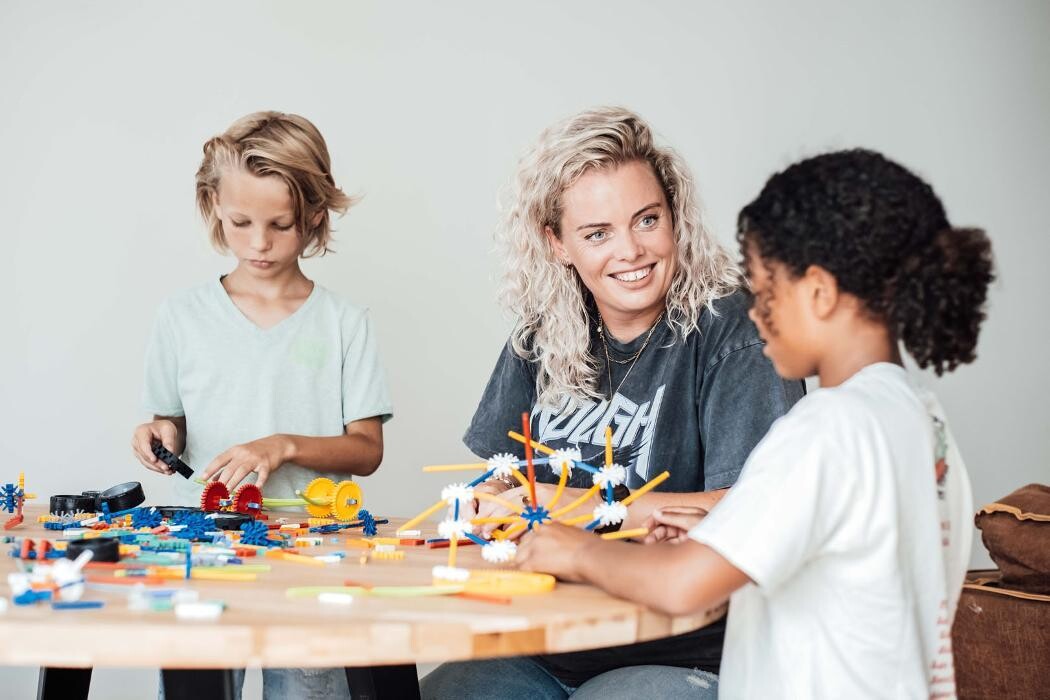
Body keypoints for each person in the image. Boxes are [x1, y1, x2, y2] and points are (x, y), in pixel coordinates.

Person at [516, 148, 994, 698]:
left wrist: (576, 550)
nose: (755, 316)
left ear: (818, 293)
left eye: (766, 294)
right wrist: (721, 531)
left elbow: (680, 587)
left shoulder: (824, 429)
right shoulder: (919, 418)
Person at [421, 107, 804, 699]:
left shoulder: (736, 329)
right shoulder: (540, 335)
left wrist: (557, 505)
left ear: (674, 217)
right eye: (597, 233)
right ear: (558, 244)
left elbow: (753, 510)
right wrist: (486, 501)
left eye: (647, 220)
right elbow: (502, 478)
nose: (631, 251)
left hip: (685, 650)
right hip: (543, 644)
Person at [131, 111, 392, 699]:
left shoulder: (346, 323)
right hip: (201, 547)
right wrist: (158, 434)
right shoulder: (180, 317)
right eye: (240, 222)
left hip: (310, 552)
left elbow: (368, 450)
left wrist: (283, 444)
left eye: (280, 225)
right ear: (213, 207)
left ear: (315, 216)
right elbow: (168, 421)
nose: (259, 243)